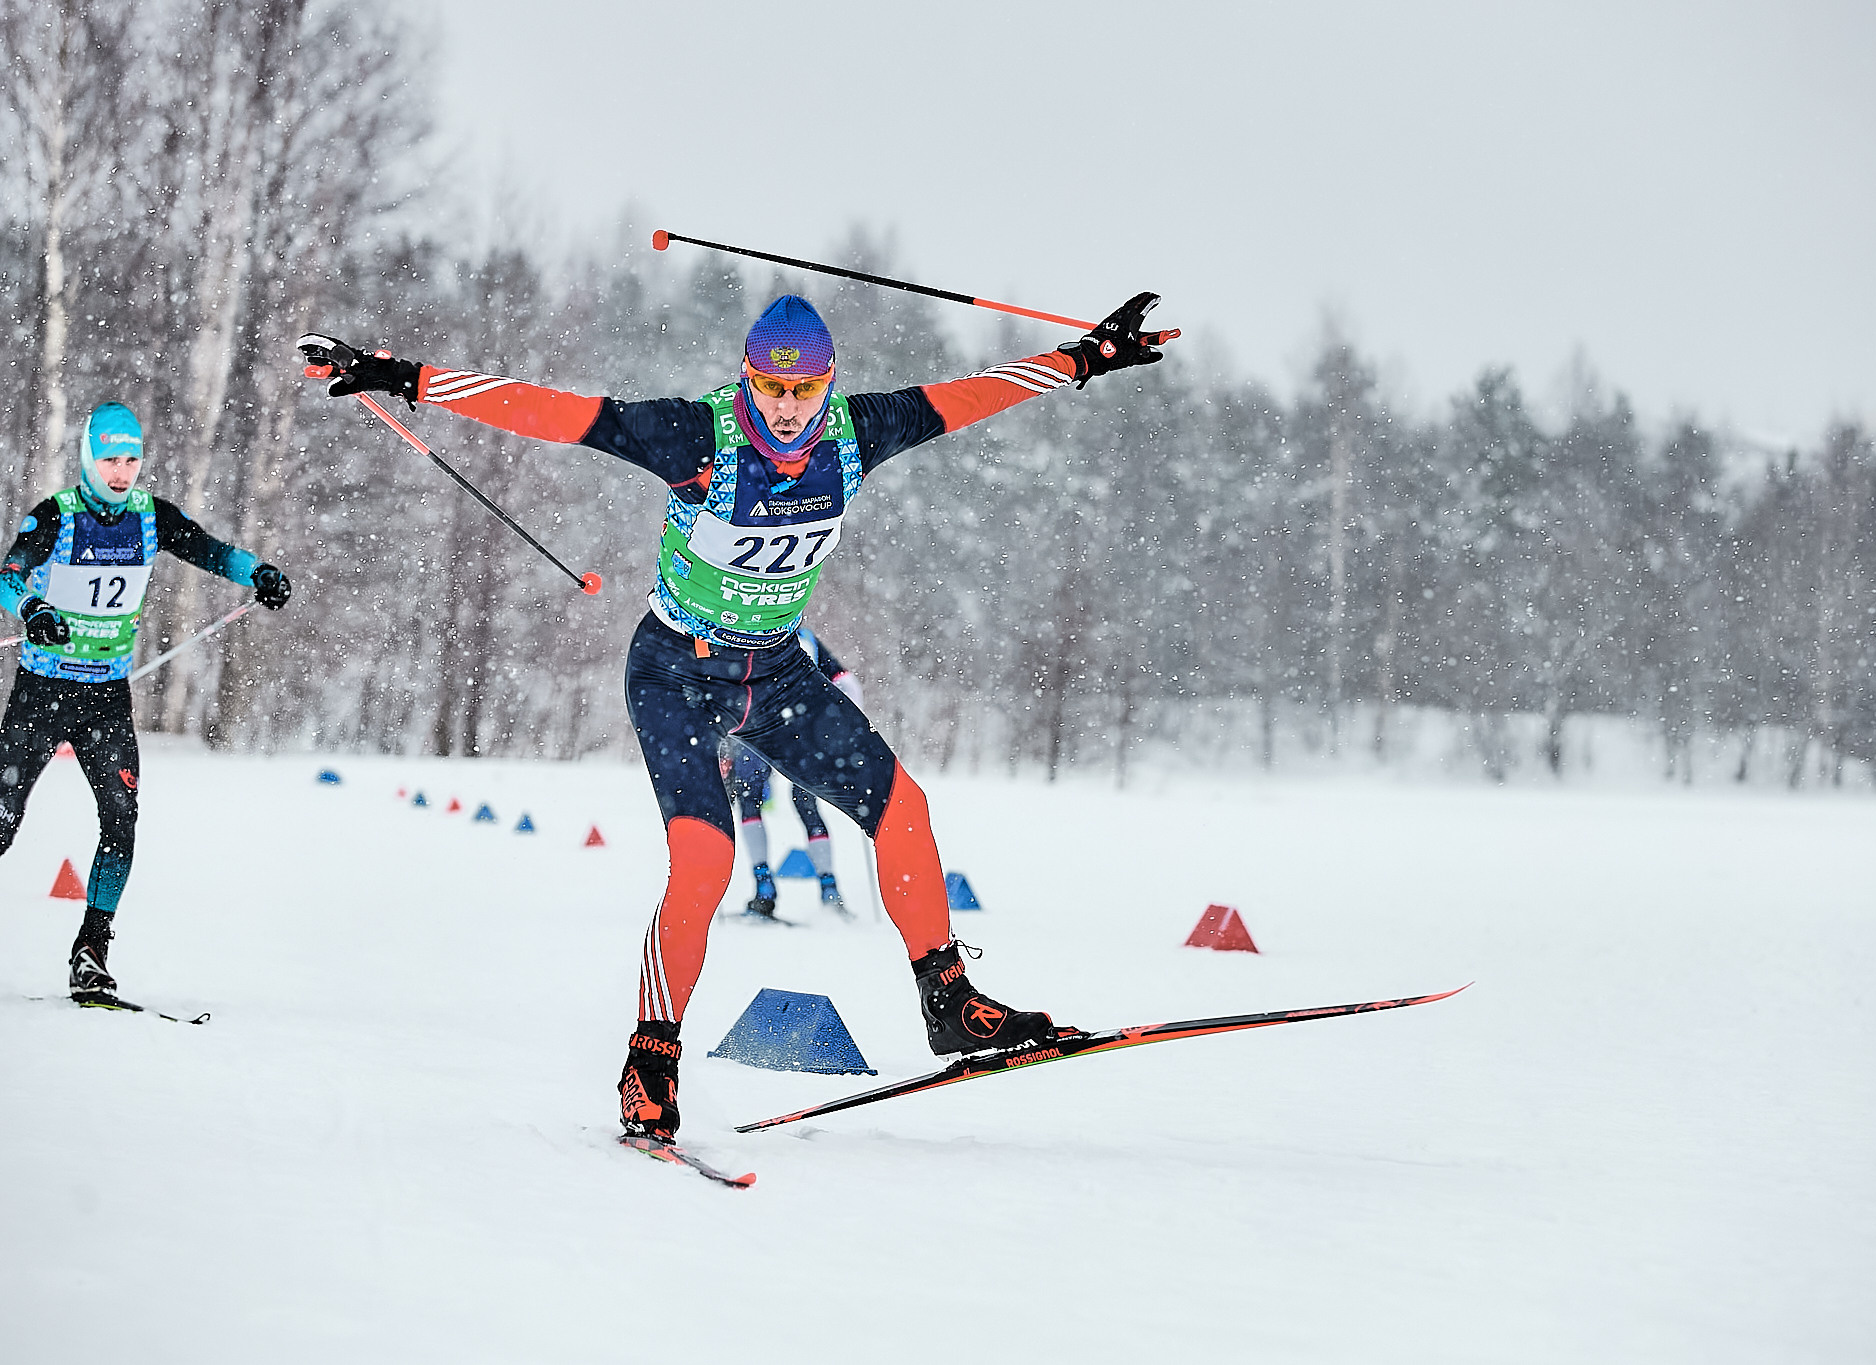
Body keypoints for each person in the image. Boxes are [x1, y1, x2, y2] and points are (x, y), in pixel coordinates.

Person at [298, 289, 1175, 1142]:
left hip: (781, 672)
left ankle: (951, 1004)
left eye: (804, 390)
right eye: (771, 387)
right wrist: (403, 375)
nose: (788, 409)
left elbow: (970, 395)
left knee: (903, 809)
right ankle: (652, 1059)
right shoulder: (694, 436)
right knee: (706, 859)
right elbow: (554, 412)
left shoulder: (854, 433)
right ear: (746, 377)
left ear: (827, 384)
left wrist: (1084, 359)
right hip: (677, 673)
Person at [0, 402, 291, 1004]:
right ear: (88, 456)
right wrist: (34, 609)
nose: (121, 471)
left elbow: (210, 550)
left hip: (105, 698)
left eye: (131, 458)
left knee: (121, 823)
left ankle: (91, 953)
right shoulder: (57, 516)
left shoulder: (150, 517)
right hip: (43, 693)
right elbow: (9, 575)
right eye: (109, 458)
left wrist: (257, 571)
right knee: (2, 825)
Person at [724, 627, 861, 923]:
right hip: (804, 731)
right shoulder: (806, 637)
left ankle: (765, 892)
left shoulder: (749, 634)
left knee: (750, 800)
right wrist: (847, 725)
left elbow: (726, 683)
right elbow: (847, 683)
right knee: (806, 804)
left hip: (757, 729)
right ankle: (829, 891)